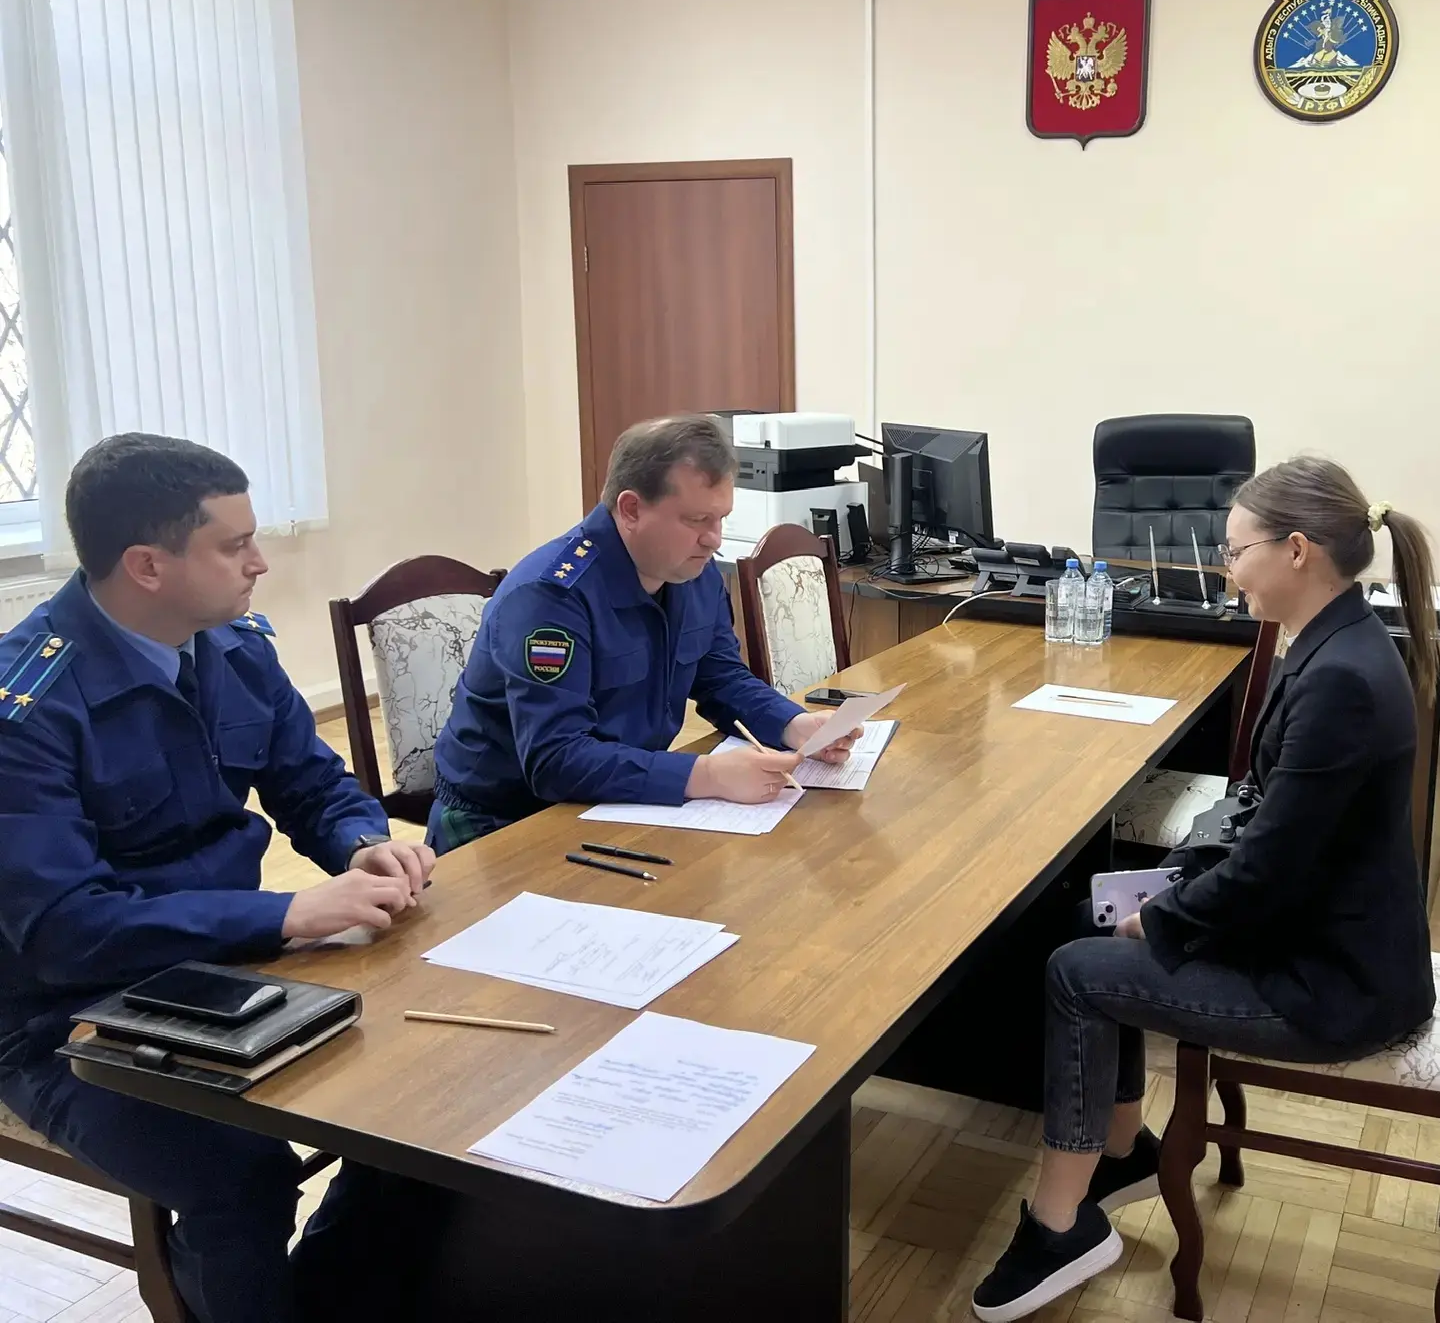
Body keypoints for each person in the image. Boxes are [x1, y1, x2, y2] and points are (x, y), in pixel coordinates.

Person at [972, 456, 1440, 1321]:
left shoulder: (1340, 678)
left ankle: (1059, 1226)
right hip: (1316, 932)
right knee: (1086, 917)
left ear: (1297, 550)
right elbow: (1267, 821)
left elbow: (1268, 871)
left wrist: (1164, 919)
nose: (1227, 570)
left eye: (1236, 551)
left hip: (1333, 985)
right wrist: (1173, 886)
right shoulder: (1335, 639)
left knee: (1077, 971)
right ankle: (1123, 1153)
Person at [0, 434, 440, 1323]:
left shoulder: (229, 647)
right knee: (239, 1175)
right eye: (234, 545)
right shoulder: (28, 709)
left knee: (427, 1081)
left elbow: (308, 779)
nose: (260, 563)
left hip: (224, 962)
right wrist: (285, 914)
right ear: (147, 565)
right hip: (62, 1016)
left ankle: (332, 1294)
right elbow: (64, 931)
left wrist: (361, 841)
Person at [429, 413, 858, 851]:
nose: (714, 539)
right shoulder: (550, 596)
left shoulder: (691, 571)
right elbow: (555, 758)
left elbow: (721, 677)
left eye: (721, 518)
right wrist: (707, 775)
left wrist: (793, 725)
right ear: (631, 509)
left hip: (617, 800)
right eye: (697, 519)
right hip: (504, 823)